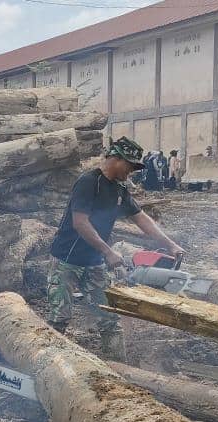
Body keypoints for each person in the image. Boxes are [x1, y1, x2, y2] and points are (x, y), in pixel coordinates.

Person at [47, 137, 185, 360]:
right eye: (129, 166)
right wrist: (108, 251)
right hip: (67, 261)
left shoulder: (120, 190)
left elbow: (142, 219)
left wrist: (170, 244)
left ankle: (117, 367)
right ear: (116, 159)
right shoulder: (88, 182)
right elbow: (80, 222)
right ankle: (49, 364)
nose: (130, 172)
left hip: (94, 263)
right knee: (59, 317)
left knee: (109, 317)